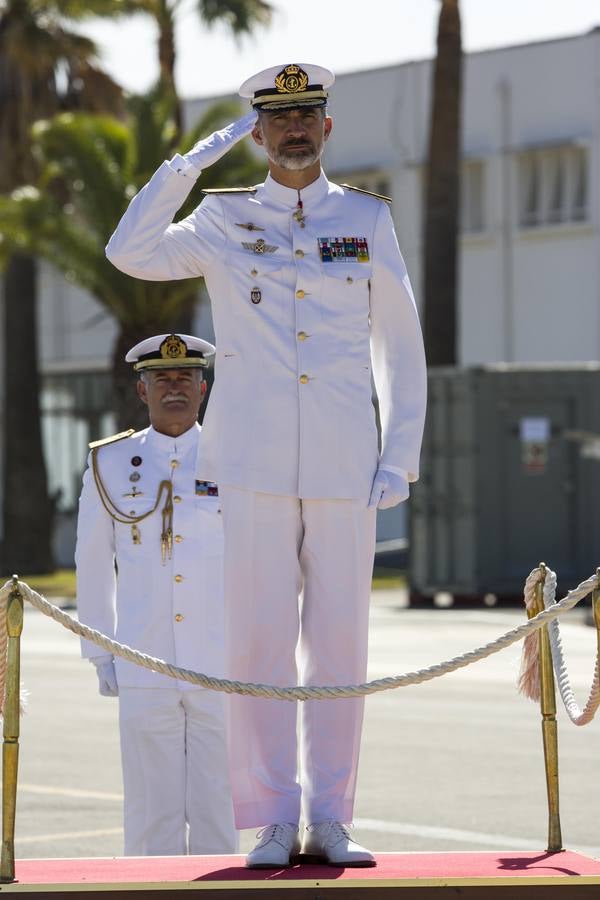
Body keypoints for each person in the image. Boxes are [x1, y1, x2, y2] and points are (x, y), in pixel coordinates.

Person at [105, 63, 427, 868]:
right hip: (247, 464)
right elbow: (130, 250)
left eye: (305, 115)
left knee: (340, 642)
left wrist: (401, 457)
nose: (291, 129)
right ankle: (274, 818)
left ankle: (334, 816)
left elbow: (401, 344)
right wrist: (189, 167)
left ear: (325, 127)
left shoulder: (364, 218)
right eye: (276, 118)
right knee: (257, 641)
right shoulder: (220, 218)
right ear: (257, 132)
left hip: (344, 460)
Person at [75, 333, 237, 857]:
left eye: (185, 378)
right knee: (150, 809)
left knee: (219, 803)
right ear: (141, 392)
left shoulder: (236, 458)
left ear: (203, 388)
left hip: (221, 658)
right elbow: (93, 563)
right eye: (161, 379)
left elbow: (261, 559)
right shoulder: (111, 463)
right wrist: (102, 652)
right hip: (143, 656)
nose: (174, 388)